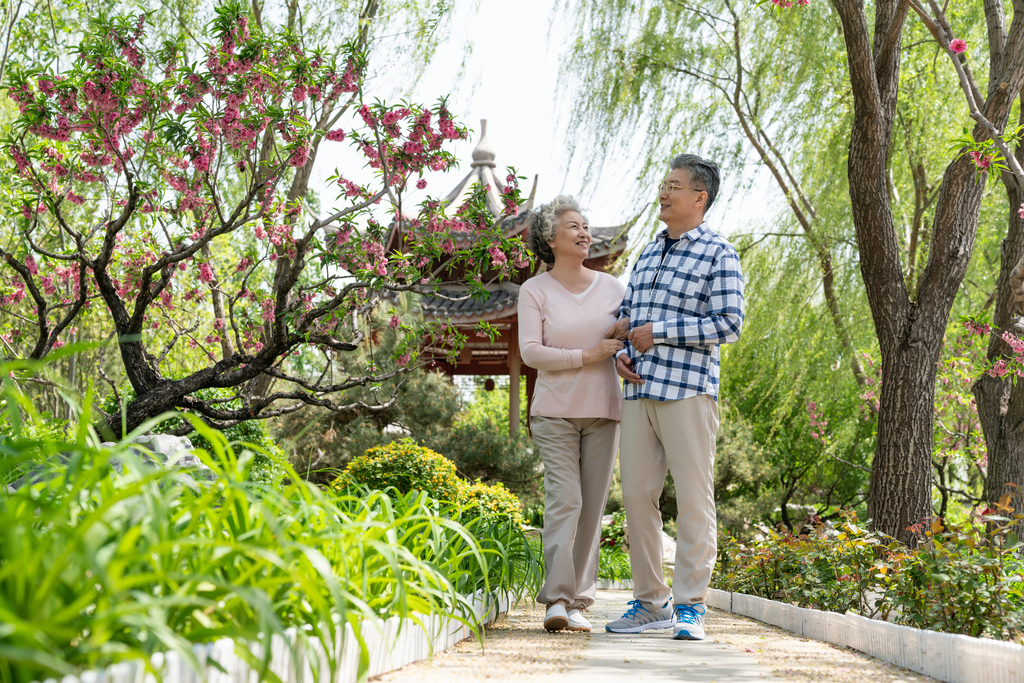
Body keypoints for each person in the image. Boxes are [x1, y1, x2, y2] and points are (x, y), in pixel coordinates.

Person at [604, 154, 744, 640]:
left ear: (699, 197)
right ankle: (650, 602)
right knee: (637, 498)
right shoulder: (645, 254)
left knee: (693, 499)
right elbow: (627, 316)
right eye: (663, 184)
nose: (663, 193)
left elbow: (728, 325)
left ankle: (690, 606)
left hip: (689, 391)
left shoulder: (719, 253)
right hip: (639, 391)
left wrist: (659, 332)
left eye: (674, 186)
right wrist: (620, 350)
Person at [518, 195, 627, 633]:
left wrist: (621, 350)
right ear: (550, 238)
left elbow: (626, 341)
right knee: (567, 500)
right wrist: (588, 354)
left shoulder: (614, 288)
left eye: (586, 225)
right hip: (554, 413)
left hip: (604, 410)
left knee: (592, 508)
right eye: (572, 227)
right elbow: (530, 353)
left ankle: (579, 601)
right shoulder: (534, 291)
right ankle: (556, 601)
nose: (584, 233)